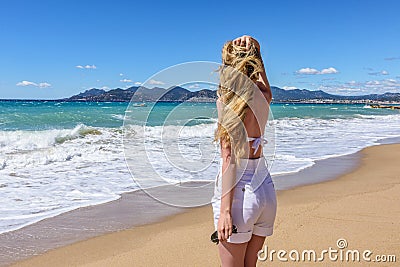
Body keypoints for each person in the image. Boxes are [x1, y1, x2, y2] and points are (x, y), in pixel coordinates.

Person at [211, 35, 277, 267]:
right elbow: (264, 84)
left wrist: (225, 211)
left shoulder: (228, 101)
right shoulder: (264, 97)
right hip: (266, 193)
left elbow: (229, 159)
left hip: (240, 196)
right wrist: (256, 50)